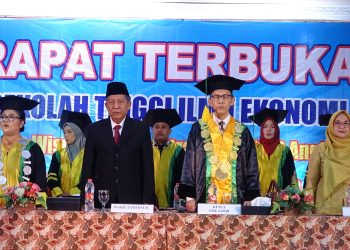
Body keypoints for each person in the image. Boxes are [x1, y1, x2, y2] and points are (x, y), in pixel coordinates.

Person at [178, 75, 259, 211]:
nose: (221, 101)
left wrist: (250, 196)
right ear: (210, 101)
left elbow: (251, 165)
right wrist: (189, 196)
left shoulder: (243, 131)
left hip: (237, 198)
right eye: (216, 97)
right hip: (203, 197)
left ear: (232, 101)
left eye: (225, 96)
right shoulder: (198, 129)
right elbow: (189, 162)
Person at [80, 81, 155, 207]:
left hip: (133, 199)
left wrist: (148, 201)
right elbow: (87, 167)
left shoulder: (141, 129)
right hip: (102, 199)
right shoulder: (94, 129)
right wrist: (85, 201)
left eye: (120, 102)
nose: (116, 106)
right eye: (111, 102)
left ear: (129, 104)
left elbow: (147, 168)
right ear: (106, 105)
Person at [0, 95, 46, 206]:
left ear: (21, 123)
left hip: (23, 211)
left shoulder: (32, 148)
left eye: (11, 117)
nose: (6, 120)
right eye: (2, 116)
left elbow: (40, 184)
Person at [305, 110, 350, 215]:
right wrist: (308, 206)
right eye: (337, 122)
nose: (341, 126)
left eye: (346, 123)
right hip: (325, 208)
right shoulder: (321, 149)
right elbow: (312, 180)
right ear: (331, 126)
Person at [143, 108, 185, 208]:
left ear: (170, 131)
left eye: (164, 127)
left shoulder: (178, 151)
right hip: (146, 204)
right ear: (152, 130)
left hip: (172, 204)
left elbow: (182, 178)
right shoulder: (144, 149)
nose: (160, 130)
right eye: (156, 127)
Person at [248, 108, 295, 196]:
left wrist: (294, 197)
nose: (268, 129)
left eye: (272, 126)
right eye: (265, 126)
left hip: (280, 201)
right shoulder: (254, 150)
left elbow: (292, 177)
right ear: (262, 130)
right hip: (257, 200)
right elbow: (248, 176)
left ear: (276, 129)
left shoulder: (285, 151)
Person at [47, 110, 92, 197]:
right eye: (64, 132)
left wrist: (73, 193)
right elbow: (52, 177)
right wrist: (59, 194)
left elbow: (90, 177)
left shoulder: (89, 154)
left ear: (78, 132)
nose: (66, 135)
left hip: (83, 199)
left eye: (69, 131)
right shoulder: (58, 155)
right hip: (60, 200)